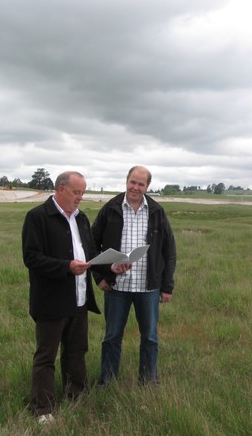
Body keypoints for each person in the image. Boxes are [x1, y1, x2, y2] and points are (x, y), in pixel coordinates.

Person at [21, 171, 129, 423]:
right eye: (76, 192)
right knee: (46, 356)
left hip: (79, 299)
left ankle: (76, 396)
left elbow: (90, 253)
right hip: (51, 301)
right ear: (60, 189)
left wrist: (110, 268)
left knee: (77, 351)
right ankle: (43, 410)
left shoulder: (82, 219)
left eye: (82, 192)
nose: (80, 197)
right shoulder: (37, 217)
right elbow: (32, 258)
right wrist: (66, 267)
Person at [92, 165, 177, 386]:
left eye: (141, 184)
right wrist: (100, 277)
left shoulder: (157, 212)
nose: (135, 187)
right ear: (126, 181)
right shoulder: (110, 209)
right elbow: (91, 245)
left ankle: (148, 381)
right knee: (112, 337)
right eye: (132, 182)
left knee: (149, 338)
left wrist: (167, 287)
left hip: (148, 288)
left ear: (147, 186)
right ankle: (107, 381)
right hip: (116, 287)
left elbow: (169, 250)